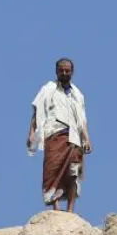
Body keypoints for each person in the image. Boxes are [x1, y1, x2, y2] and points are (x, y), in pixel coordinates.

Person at [27, 58, 91, 211]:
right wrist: (31, 132)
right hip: (54, 133)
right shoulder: (48, 89)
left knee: (73, 171)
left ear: (72, 72)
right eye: (61, 70)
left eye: (67, 70)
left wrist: (87, 139)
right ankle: (56, 208)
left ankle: (70, 210)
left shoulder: (77, 94)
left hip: (74, 137)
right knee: (53, 170)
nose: (64, 73)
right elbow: (37, 112)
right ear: (56, 71)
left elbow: (82, 120)